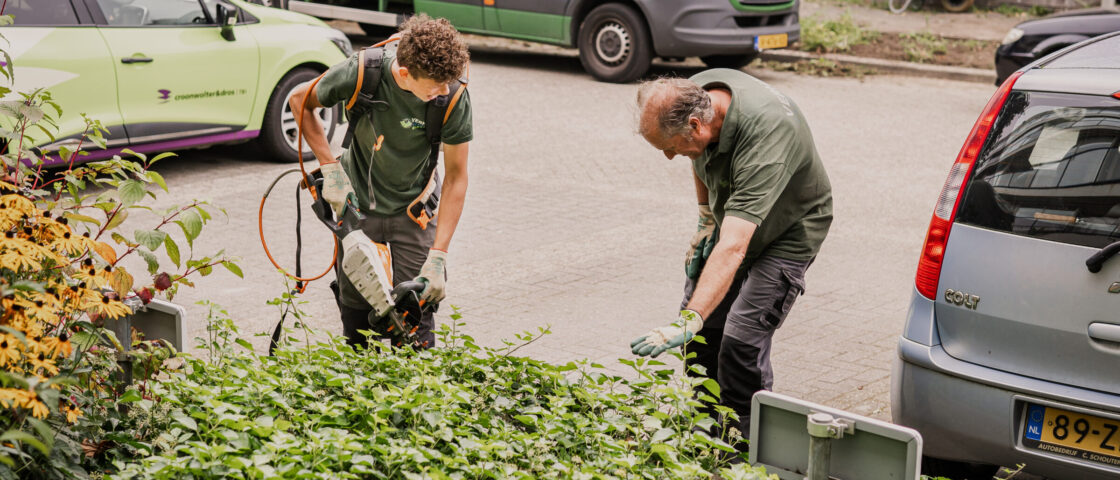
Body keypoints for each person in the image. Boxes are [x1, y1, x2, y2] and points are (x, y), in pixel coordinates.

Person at [629, 70, 833, 438]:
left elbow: (735, 246)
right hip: (737, 222)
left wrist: (692, 314)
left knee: (740, 343)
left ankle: (744, 448)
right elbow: (699, 157)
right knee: (700, 339)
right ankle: (706, 435)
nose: (670, 157)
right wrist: (706, 216)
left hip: (787, 232)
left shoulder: (766, 137)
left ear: (695, 124)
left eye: (669, 147)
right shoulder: (699, 94)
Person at [289, 15, 471, 349]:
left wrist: (439, 256)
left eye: (450, 83)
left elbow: (457, 178)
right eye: (437, 87)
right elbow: (300, 101)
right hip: (356, 208)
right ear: (404, 74)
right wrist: (330, 169)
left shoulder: (454, 95)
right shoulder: (362, 72)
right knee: (359, 325)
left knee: (417, 327)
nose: (446, 91)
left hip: (414, 212)